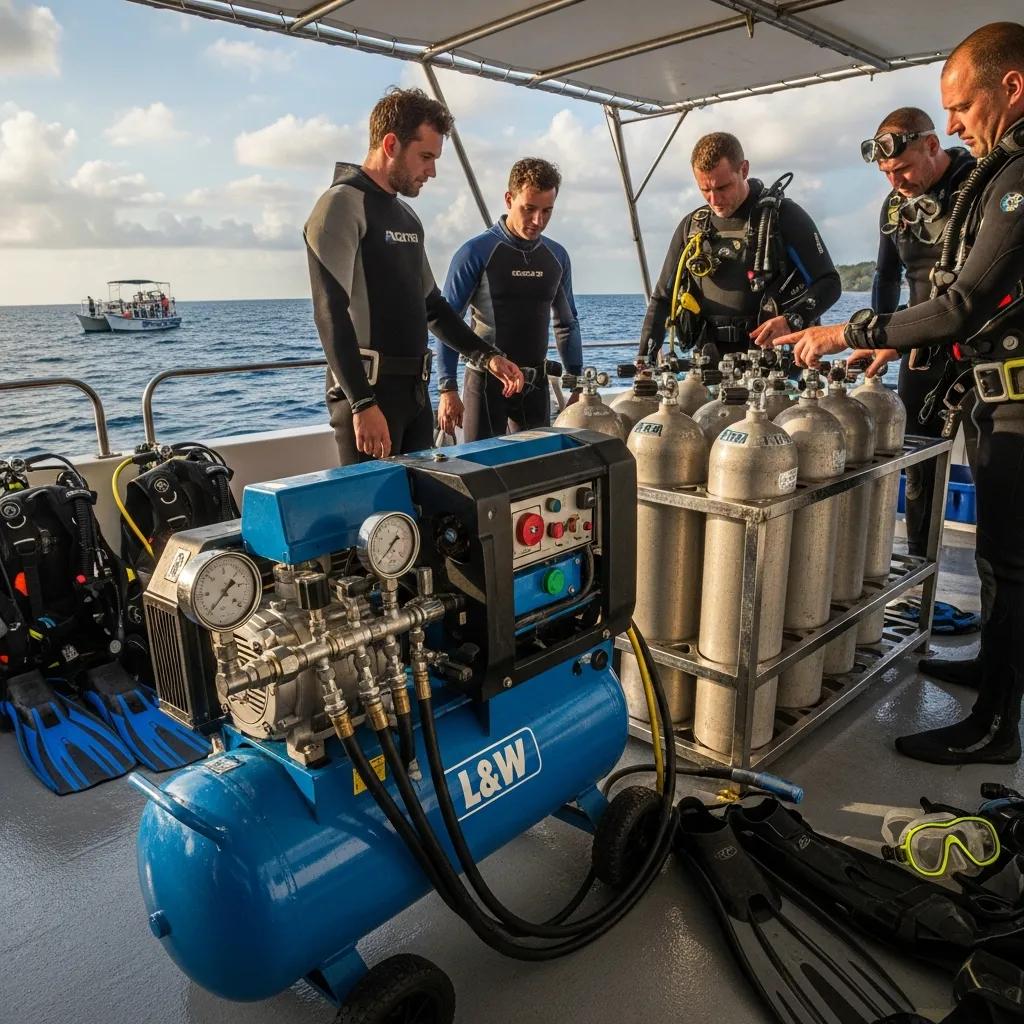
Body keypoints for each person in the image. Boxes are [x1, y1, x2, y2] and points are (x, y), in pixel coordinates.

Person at [772, 21, 1024, 766]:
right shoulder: (998, 168)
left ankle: (997, 727)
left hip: (1015, 399)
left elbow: (962, 304)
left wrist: (849, 332)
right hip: (990, 388)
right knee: (992, 560)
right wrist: (891, 340)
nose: (952, 123)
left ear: (1012, 87)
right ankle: (991, 672)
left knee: (1010, 560)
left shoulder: (1018, 176)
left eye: (961, 108)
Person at [304, 87, 523, 463]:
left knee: (423, 513)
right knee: (377, 518)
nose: (432, 171)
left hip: (415, 394)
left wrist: (487, 356)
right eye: (425, 156)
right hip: (369, 394)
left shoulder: (407, 217)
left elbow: (433, 306)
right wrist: (361, 402)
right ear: (390, 144)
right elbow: (329, 312)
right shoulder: (340, 205)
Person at [637, 132, 841, 366]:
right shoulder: (692, 226)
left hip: (774, 366)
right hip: (710, 364)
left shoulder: (784, 217)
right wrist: (644, 359)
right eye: (705, 190)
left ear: (743, 170)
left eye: (722, 187)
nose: (714, 200)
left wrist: (792, 320)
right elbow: (663, 298)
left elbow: (829, 283)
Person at [436, 158, 583, 440]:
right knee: (483, 473)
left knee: (536, 471)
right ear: (509, 199)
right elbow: (447, 322)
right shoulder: (476, 252)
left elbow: (566, 323)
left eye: (547, 211)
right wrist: (447, 388)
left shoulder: (557, 257)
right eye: (529, 209)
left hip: (534, 385)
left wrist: (575, 382)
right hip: (485, 382)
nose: (538, 220)